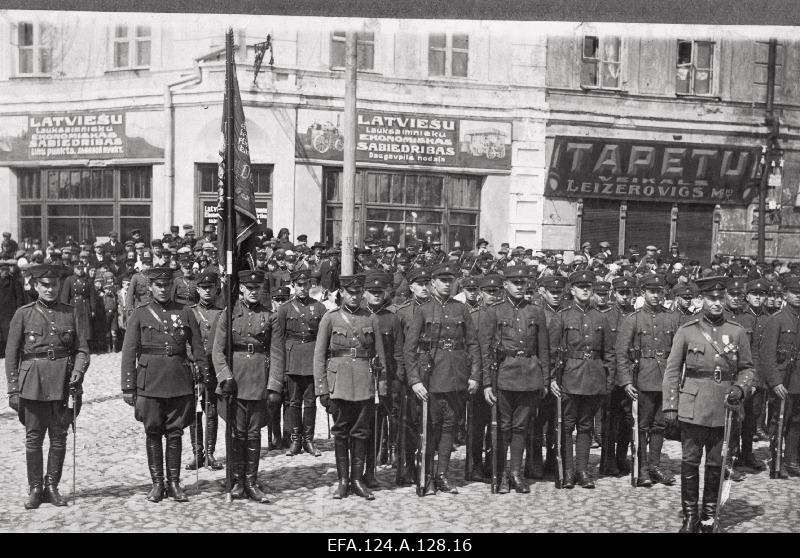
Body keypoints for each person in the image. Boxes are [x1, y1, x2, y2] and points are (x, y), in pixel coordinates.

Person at [663, 276, 754, 533]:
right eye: (711, 298)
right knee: (690, 461)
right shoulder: (687, 331)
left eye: (719, 298)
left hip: (724, 407)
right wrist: (670, 406)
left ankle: (709, 515)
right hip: (693, 406)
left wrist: (739, 388)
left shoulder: (736, 331)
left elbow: (748, 369)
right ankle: (690, 516)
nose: (716, 303)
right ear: (701, 299)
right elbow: (672, 371)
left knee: (717, 463)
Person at [5, 264, 90, 508]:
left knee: (59, 436)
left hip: (63, 383)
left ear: (60, 285)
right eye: (45, 285)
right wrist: (13, 388)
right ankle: (35, 488)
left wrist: (77, 372)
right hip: (32, 383)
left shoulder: (71, 313)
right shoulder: (24, 313)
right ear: (35, 286)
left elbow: (83, 350)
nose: (50, 289)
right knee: (33, 438)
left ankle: (52, 486)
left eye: (54, 285)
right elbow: (11, 355)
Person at [120, 267, 208, 503]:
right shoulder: (140, 314)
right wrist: (128, 387)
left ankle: (174, 482)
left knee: (175, 432)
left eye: (167, 285)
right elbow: (129, 352)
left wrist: (203, 379)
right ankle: (157, 483)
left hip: (179, 380)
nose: (163, 289)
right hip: (149, 381)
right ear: (150, 286)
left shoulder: (186, 312)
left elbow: (197, 348)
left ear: (173, 287)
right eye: (158, 285)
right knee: (153, 432)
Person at [404, 264, 481, 494]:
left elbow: (473, 344)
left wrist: (475, 375)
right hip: (431, 378)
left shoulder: (461, 309)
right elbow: (410, 349)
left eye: (450, 280)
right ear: (433, 282)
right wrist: (415, 380)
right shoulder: (423, 309)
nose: (447, 284)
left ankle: (442, 474)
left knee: (450, 426)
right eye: (442, 280)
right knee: (430, 427)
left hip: (457, 375)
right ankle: (426, 474)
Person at [212, 269, 284, 503]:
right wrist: (225, 377)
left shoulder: (270, 316)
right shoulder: (229, 314)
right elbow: (217, 351)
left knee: (253, 433)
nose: (254, 292)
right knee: (236, 432)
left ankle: (251, 482)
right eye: (249, 288)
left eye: (257, 288)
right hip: (235, 380)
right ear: (241, 288)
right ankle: (236, 481)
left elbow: (277, 353)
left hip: (258, 379)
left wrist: (274, 386)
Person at [314, 274, 387, 500]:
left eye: (358, 293)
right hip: (340, 383)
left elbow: (380, 356)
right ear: (342, 293)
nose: (354, 297)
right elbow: (319, 356)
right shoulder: (330, 318)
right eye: (350, 293)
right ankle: (343, 480)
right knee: (341, 432)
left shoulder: (371, 318)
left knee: (361, 432)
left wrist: (381, 388)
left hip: (364, 382)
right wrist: (322, 389)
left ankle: (357, 479)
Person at [479, 266, 549, 493]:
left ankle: (516, 473)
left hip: (529, 375)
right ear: (505, 285)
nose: (520, 286)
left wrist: (545, 380)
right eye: (515, 282)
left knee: (520, 428)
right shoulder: (495, 311)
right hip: (504, 376)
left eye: (523, 282)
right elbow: (485, 349)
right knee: (502, 427)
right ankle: (500, 474)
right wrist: (487, 382)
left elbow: (543, 348)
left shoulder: (535, 311)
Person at [549, 270, 614, 489]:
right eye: (581, 287)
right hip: (569, 377)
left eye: (588, 287)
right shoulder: (563, 316)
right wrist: (551, 379)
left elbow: (609, 353)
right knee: (567, 427)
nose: (585, 290)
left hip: (594, 377)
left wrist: (608, 381)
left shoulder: (600, 317)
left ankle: (583, 471)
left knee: (586, 426)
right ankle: (568, 471)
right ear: (572, 290)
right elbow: (551, 351)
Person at [616, 273, 679, 486]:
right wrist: (626, 381)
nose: (656, 296)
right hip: (642, 378)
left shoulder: (672, 318)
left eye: (659, 292)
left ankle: (655, 466)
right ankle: (642, 468)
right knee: (641, 426)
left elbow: (679, 352)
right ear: (643, 293)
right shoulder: (633, 319)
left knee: (660, 425)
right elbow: (622, 353)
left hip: (666, 380)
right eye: (651, 291)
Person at [274, 269, 327, 458]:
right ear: (293, 286)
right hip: (292, 358)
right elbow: (278, 339)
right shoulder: (284, 309)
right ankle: (295, 439)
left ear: (310, 286)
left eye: (305, 285)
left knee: (311, 402)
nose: (302, 288)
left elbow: (324, 337)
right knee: (293, 402)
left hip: (312, 357)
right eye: (299, 285)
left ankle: (309, 440)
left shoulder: (320, 308)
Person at [361, 271, 405, 487]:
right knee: (370, 418)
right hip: (366, 376)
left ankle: (394, 449)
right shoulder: (360, 316)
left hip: (389, 375)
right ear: (365, 293)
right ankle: (377, 452)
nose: (376, 296)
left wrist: (398, 377)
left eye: (380, 292)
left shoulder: (392, 317)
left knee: (393, 414)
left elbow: (397, 351)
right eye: (372, 292)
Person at [759, 274, 800, 479]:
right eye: (794, 292)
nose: (798, 296)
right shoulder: (777, 319)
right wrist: (774, 382)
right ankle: (777, 461)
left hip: (798, 381)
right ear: (785, 294)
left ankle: (792, 460)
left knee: (796, 422)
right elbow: (766, 354)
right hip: (783, 381)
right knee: (779, 422)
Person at [598, 276, 637, 477]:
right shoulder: (605, 316)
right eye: (621, 293)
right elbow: (605, 350)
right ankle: (608, 459)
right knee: (610, 421)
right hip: (612, 377)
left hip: (631, 376)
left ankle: (622, 457)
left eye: (627, 293)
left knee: (628, 421)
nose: (624, 296)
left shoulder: (637, 316)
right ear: (614, 293)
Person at [185, 271, 224, 471]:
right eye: (203, 288)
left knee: (211, 410)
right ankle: (196, 453)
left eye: (211, 288)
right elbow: (185, 342)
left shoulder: (221, 313)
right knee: (194, 411)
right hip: (194, 368)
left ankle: (210, 452)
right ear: (197, 290)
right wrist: (195, 362)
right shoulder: (190, 312)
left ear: (216, 289)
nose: (207, 291)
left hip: (214, 367)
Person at [0, 259, 25, 357]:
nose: (4, 272)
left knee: (9, 334)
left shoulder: (15, 282)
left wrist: (18, 311)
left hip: (10, 312)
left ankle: (10, 353)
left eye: (6, 270)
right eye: (2, 270)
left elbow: (19, 298)